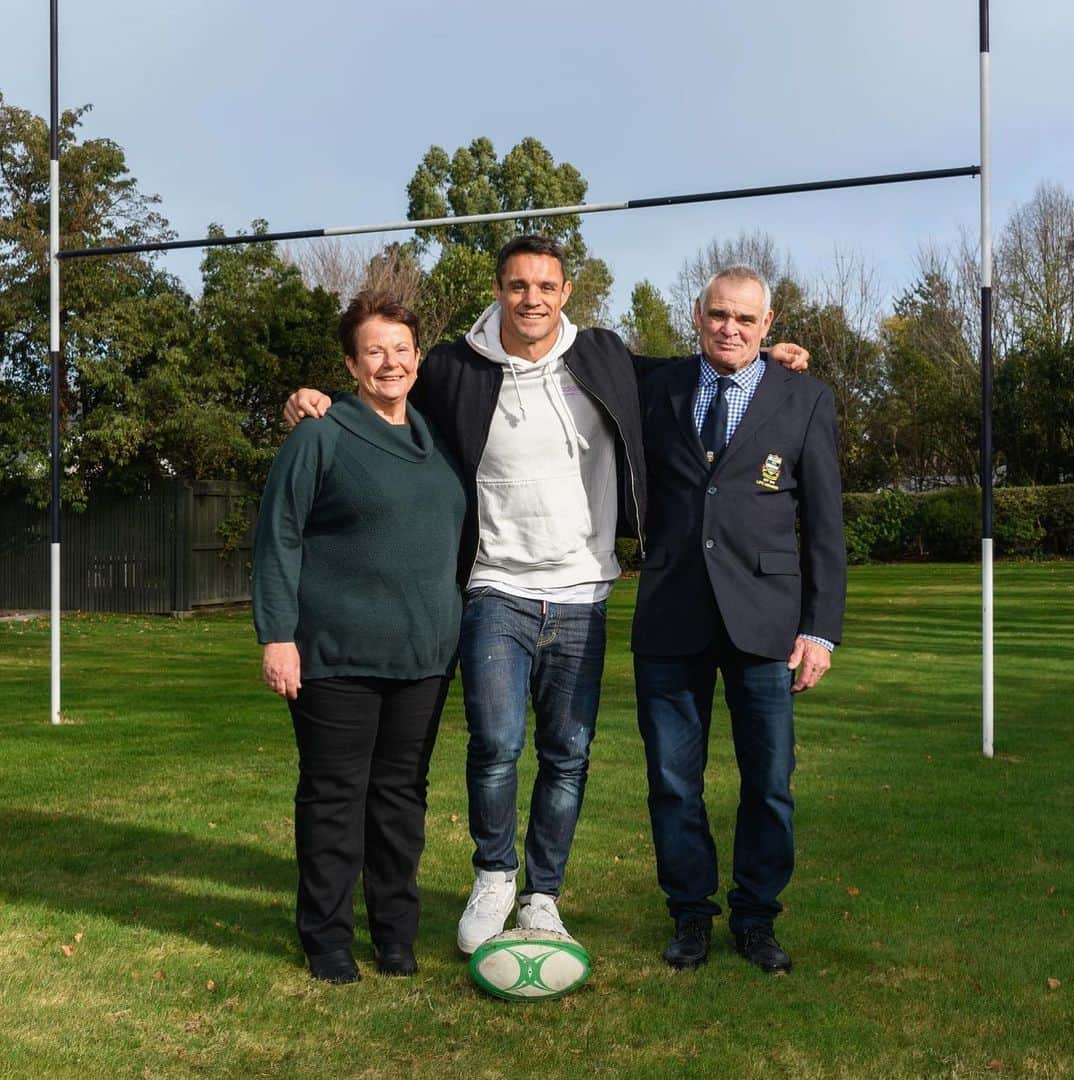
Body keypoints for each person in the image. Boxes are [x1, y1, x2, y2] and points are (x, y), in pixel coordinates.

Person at [283, 236, 810, 956]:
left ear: (566, 293)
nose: (532, 298)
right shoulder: (454, 367)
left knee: (569, 752)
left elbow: (693, 373)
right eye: (518, 285)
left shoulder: (600, 356)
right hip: (495, 588)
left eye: (546, 286)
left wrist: (767, 363)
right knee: (496, 745)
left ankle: (541, 895)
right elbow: (387, 392)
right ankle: (494, 876)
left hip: (582, 592)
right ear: (498, 290)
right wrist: (321, 399)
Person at [632, 265, 846, 973]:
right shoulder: (654, 386)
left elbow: (823, 525)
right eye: (719, 314)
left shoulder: (806, 398)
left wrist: (820, 628)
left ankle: (757, 917)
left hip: (768, 623)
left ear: (769, 324)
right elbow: (562, 354)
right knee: (672, 782)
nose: (730, 328)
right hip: (670, 616)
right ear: (697, 313)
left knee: (770, 783)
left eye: (746, 320)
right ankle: (690, 915)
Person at [253, 291, 466, 984]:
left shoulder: (435, 438)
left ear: (417, 358)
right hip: (336, 655)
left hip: (424, 657)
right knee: (336, 800)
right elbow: (278, 535)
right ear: (351, 363)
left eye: (401, 349)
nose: (390, 362)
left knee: (401, 803)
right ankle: (327, 940)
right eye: (374, 350)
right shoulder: (321, 434)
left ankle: (397, 937)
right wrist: (277, 635)